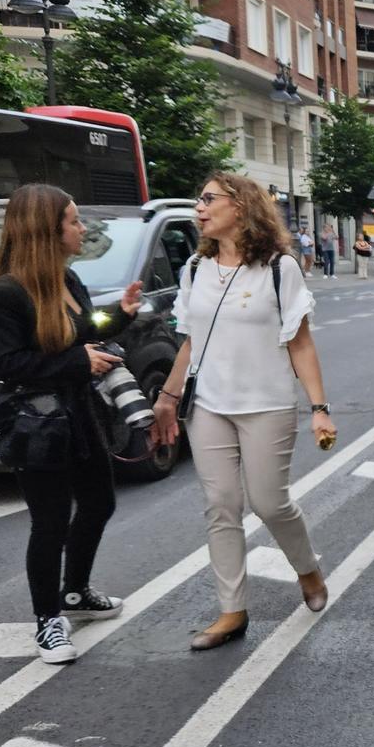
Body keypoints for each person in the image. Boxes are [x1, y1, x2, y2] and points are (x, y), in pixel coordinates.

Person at [149, 172, 336, 651]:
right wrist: (168, 400)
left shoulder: (278, 268)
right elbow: (192, 343)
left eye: (209, 199)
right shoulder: (195, 268)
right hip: (208, 405)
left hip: (266, 404)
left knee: (270, 503)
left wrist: (319, 408)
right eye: (199, 199)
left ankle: (307, 568)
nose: (200, 208)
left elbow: (300, 342)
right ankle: (232, 610)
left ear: (241, 206)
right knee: (221, 505)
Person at [0, 184, 138, 663]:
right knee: (48, 522)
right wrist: (76, 364)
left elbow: (82, 334)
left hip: (78, 414)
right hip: (38, 424)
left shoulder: (68, 282)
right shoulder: (5, 294)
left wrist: (121, 316)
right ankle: (48, 620)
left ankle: (76, 590)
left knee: (99, 503)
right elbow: (8, 365)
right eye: (73, 221)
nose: (81, 228)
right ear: (47, 231)